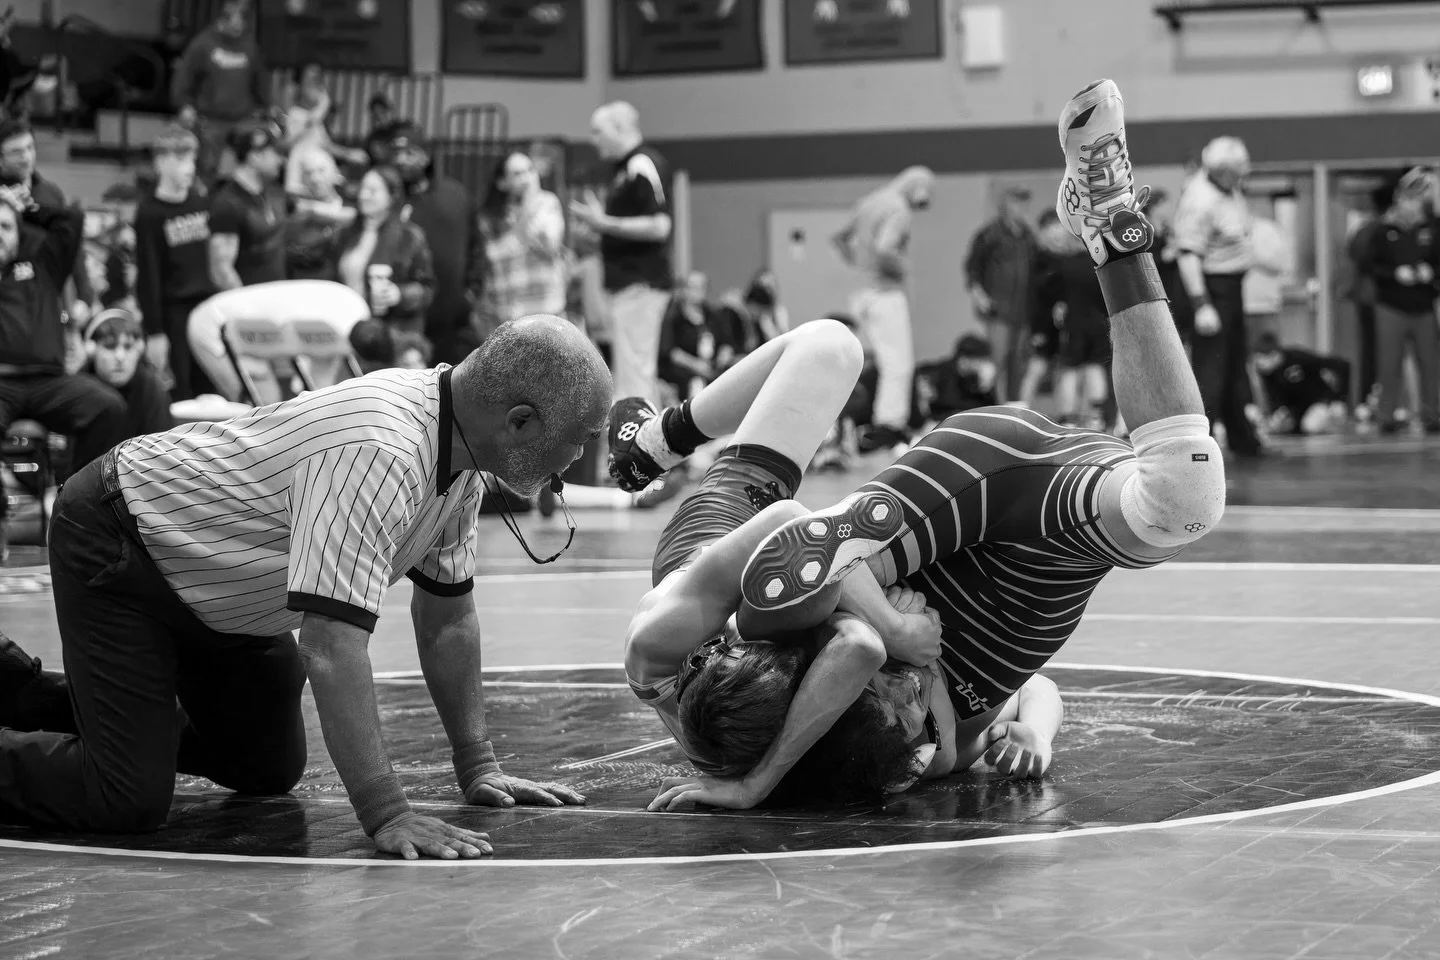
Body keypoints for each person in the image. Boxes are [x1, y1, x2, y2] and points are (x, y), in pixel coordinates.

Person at [616, 79, 1226, 810]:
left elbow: (840, 622)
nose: (904, 693)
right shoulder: (931, 747)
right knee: (1184, 498)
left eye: (888, 698)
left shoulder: (688, 643)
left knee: (829, 351)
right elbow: (993, 685)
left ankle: (655, 439)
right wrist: (1034, 732)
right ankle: (1109, 225)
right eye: (910, 707)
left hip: (824, 532)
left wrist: (764, 773)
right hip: (1012, 540)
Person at [0, 315, 611, 860]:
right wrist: (386, 812)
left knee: (265, 765)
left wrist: (477, 764)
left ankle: (25, 694)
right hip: (125, 539)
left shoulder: (464, 458)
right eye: (582, 435)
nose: (583, 454)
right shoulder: (379, 450)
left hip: (221, 584)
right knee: (125, 799)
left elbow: (447, 620)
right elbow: (331, 647)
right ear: (520, 422)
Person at [0, 177, 128, 485]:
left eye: (5, 227)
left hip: (50, 383)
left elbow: (72, 219)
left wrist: (26, 207)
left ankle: (75, 498)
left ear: (19, 235)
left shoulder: (42, 266)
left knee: (107, 407)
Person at [569, 101, 673, 404]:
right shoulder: (624, 169)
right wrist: (599, 230)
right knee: (631, 372)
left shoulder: (641, 163)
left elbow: (659, 225)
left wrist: (604, 222)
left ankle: (638, 448)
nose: (593, 139)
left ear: (619, 128)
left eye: (597, 131)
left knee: (634, 376)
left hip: (639, 285)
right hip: (627, 286)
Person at [832, 166, 934, 451]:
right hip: (886, 293)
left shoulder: (869, 202)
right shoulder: (898, 209)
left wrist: (859, 265)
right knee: (898, 364)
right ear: (918, 187)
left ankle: (853, 424)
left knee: (865, 361)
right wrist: (902, 269)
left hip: (860, 292)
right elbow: (886, 247)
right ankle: (888, 427)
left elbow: (840, 239)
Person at [1174, 136, 1263, 457]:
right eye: (1240, 169)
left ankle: (1244, 440)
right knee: (1210, 370)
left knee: (1235, 366)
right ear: (1223, 171)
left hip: (1231, 287)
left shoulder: (1228, 188)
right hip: (1212, 289)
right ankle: (1199, 448)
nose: (1245, 174)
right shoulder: (1200, 201)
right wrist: (1202, 305)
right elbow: (1187, 255)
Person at [133, 126, 218, 401]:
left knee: (211, 387)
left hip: (206, 306)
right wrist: (155, 331)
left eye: (192, 160)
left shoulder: (200, 202)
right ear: (160, 163)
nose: (189, 167)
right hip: (173, 313)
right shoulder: (149, 213)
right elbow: (148, 275)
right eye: (180, 160)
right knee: (181, 391)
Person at [1352, 170, 1439, 434]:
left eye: (1416, 200)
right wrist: (1394, 274)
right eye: (1407, 199)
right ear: (1398, 200)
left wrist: (1431, 273)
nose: (1411, 205)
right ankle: (1386, 415)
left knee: (1431, 363)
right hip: (1390, 305)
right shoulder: (1381, 230)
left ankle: (1433, 414)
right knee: (1389, 363)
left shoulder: (1432, 229)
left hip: (1423, 305)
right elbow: (1367, 264)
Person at [389, 124, 477, 366]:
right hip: (407, 321)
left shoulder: (455, 195)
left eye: (409, 153)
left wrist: (472, 292)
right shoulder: (390, 200)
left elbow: (476, 247)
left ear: (426, 156)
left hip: (452, 320)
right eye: (396, 153)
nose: (401, 160)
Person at [0, 117, 96, 319]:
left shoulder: (50, 193)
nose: (26, 157)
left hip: (53, 298)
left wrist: (86, 297)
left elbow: (73, 248)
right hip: (11, 301)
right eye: (16, 152)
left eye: (30, 148)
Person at [171, 0, 269, 185]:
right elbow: (184, 77)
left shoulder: (249, 45)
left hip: (242, 119)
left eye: (243, 21)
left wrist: (266, 106)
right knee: (207, 169)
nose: (241, 27)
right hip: (210, 120)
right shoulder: (202, 44)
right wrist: (184, 105)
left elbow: (260, 79)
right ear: (223, 21)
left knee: (248, 167)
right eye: (238, 21)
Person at [472, 150, 568, 338]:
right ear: (502, 182)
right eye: (517, 174)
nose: (526, 178)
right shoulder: (490, 217)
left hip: (547, 311)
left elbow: (550, 247)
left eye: (530, 170)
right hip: (508, 315)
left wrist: (529, 203)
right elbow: (491, 259)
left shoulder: (547, 203)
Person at [330, 166, 434, 337]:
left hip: (390, 334)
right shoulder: (345, 234)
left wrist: (400, 294)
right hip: (348, 327)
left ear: (392, 196)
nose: (363, 195)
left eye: (372, 191)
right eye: (362, 188)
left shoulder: (409, 236)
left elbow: (427, 289)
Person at [966, 185, 1038, 404]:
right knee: (999, 360)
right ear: (1005, 205)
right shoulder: (990, 234)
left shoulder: (1028, 236)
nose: (1021, 208)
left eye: (1024, 202)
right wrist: (979, 295)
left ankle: (1015, 407)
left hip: (1024, 310)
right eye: (1016, 202)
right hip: (999, 310)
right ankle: (998, 408)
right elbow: (973, 267)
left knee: (1020, 361)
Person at [208, 118, 287, 291]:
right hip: (252, 307)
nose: (280, 160)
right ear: (256, 156)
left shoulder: (271, 192)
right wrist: (247, 309)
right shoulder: (228, 204)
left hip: (276, 301)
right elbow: (221, 271)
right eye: (275, 153)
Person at [78, 307, 173, 440]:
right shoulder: (78, 389)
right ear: (91, 351)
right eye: (110, 346)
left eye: (128, 347)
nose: (120, 356)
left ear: (139, 349)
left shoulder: (152, 390)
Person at [1252, 333, 1350, 435]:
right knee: (1274, 428)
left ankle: (1334, 422)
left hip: (1318, 402)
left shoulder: (1297, 358)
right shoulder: (1266, 373)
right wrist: (1278, 413)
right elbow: (1274, 398)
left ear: (1274, 355)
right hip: (1295, 410)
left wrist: (1340, 398)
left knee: (1310, 426)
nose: (1259, 365)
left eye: (1261, 360)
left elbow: (1341, 365)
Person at [656, 270, 722, 404]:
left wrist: (723, 353)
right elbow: (670, 352)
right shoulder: (673, 317)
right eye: (693, 287)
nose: (698, 292)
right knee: (696, 384)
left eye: (702, 287)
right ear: (684, 290)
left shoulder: (712, 315)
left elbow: (724, 341)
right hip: (683, 374)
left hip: (712, 370)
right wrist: (697, 365)